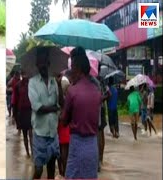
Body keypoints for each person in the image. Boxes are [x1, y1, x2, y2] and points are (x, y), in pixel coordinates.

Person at [60, 46, 101, 179]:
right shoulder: (96, 90)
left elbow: (64, 121)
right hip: (93, 146)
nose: (70, 71)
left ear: (77, 68)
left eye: (72, 67)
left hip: (77, 146)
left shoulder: (72, 91)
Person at [28, 47, 60, 179]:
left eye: (44, 61)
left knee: (52, 169)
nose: (42, 64)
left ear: (48, 62)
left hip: (53, 132)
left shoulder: (54, 82)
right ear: (36, 64)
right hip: (39, 133)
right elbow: (37, 107)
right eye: (39, 62)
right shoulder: (32, 82)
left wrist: (55, 106)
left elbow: (60, 104)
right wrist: (53, 108)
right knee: (39, 169)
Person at [56, 70, 72, 177]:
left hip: (58, 126)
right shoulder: (66, 99)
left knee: (60, 151)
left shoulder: (55, 97)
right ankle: (64, 172)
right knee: (65, 151)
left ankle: (62, 171)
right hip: (64, 126)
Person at [14, 70, 33, 157]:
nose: (25, 76)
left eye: (26, 74)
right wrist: (17, 114)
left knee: (31, 133)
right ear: (21, 75)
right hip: (22, 111)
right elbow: (16, 100)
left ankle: (33, 152)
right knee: (25, 134)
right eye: (24, 74)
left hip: (30, 110)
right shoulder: (18, 86)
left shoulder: (31, 84)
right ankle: (27, 153)